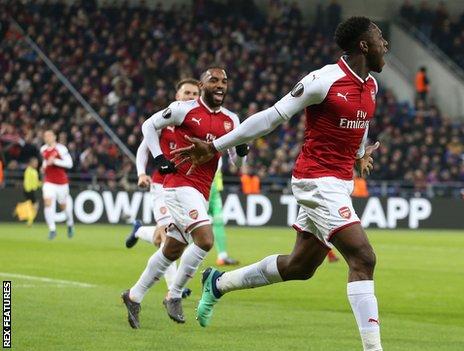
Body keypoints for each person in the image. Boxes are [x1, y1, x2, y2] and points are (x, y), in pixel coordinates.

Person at [173, 17, 387, 351]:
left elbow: (360, 125)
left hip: (340, 181)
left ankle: (219, 283)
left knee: (301, 266)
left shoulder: (371, 85)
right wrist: (216, 146)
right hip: (315, 181)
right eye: (379, 38)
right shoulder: (322, 80)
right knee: (363, 258)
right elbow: (271, 117)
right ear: (363, 45)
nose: (385, 45)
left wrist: (359, 154)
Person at [121, 67, 247, 329]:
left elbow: (236, 161)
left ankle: (134, 296)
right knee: (205, 239)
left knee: (172, 249)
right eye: (213, 80)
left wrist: (243, 149)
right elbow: (148, 126)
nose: (220, 85)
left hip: (202, 190)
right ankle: (174, 295)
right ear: (203, 85)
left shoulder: (231, 120)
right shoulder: (183, 109)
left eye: (224, 81)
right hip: (178, 185)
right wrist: (159, 159)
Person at [125, 78, 200, 301]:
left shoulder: (199, 124)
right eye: (187, 92)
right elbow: (143, 150)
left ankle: (139, 230)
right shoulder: (164, 120)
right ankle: (174, 289)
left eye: (195, 93)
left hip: (188, 188)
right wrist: (141, 173)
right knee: (169, 237)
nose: (191, 97)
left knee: (175, 238)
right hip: (162, 186)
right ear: (177, 96)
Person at [40, 130, 74, 240]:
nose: (47, 137)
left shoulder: (61, 149)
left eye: (49, 135)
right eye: (45, 136)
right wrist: (44, 167)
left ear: (54, 137)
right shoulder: (43, 149)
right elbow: (45, 162)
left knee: (64, 206)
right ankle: (52, 229)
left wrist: (55, 161)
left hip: (61, 183)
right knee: (48, 202)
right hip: (49, 181)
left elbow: (69, 164)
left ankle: (70, 223)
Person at [23, 157, 42, 226]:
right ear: (31, 163)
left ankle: (30, 221)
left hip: (32, 190)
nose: (36, 164)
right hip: (29, 190)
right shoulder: (29, 170)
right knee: (35, 205)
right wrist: (28, 190)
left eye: (36, 163)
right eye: (35, 163)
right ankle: (30, 221)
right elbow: (27, 181)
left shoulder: (34, 171)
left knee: (33, 205)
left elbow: (36, 182)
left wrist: (41, 183)